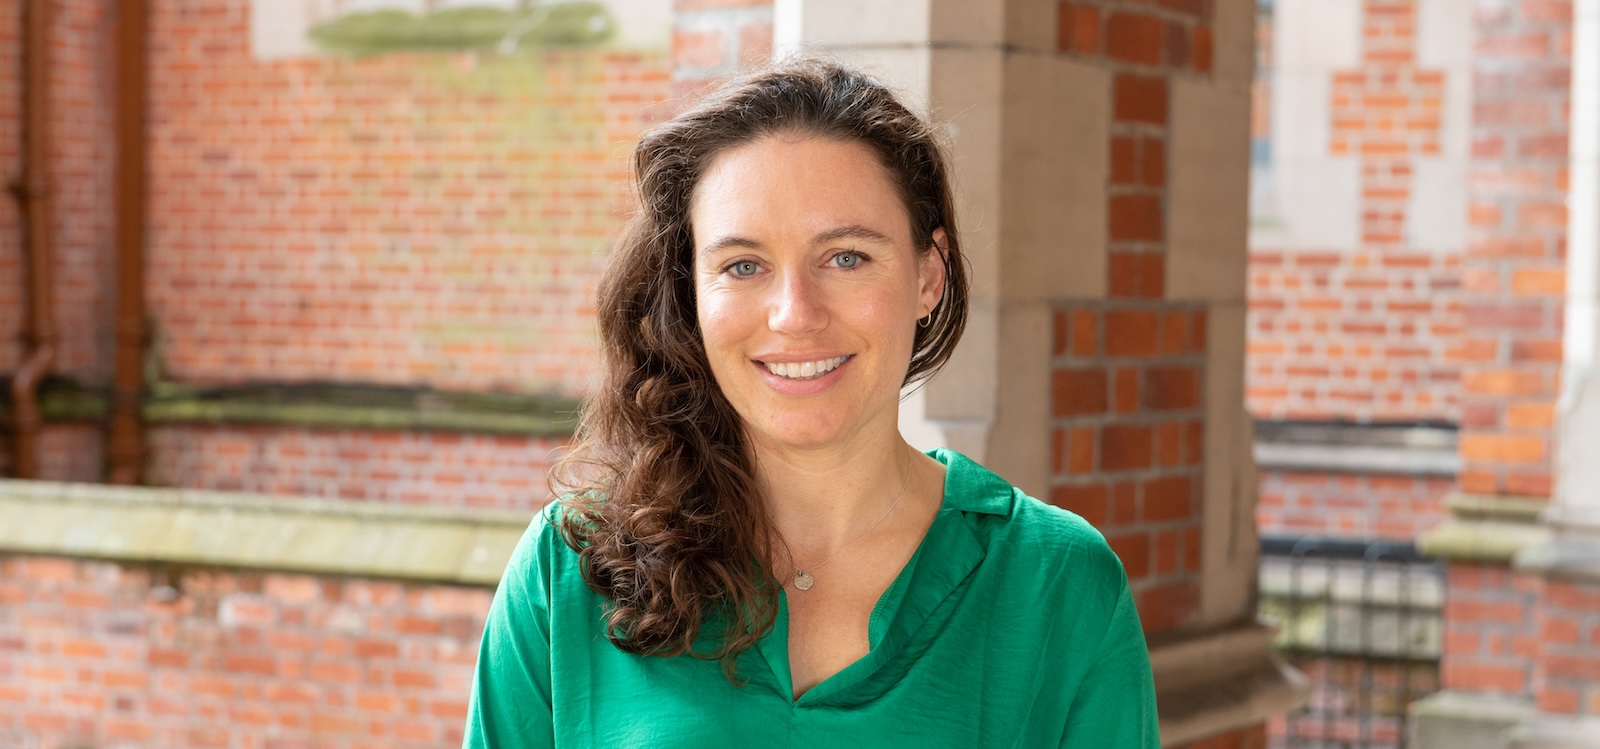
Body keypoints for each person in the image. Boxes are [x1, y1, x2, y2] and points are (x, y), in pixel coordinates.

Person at [463, 58, 1160, 748]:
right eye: (743, 265)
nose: (795, 313)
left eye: (847, 257)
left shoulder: (1059, 587)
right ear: (691, 296)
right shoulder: (568, 575)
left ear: (929, 275)